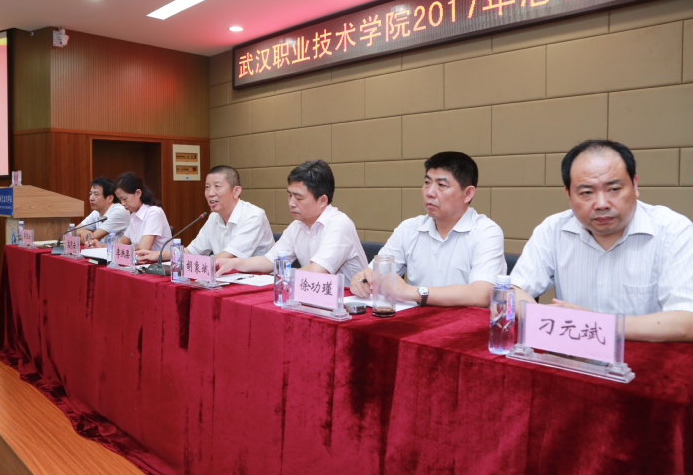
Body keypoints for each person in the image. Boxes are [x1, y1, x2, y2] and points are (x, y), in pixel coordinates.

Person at [511, 140, 693, 342]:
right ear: (569, 195)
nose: (602, 204)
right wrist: (545, 316)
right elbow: (511, 292)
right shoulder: (553, 229)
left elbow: (687, 322)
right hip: (573, 354)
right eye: (586, 193)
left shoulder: (674, 231)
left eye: (614, 189)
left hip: (645, 357)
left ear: (635, 185)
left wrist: (594, 323)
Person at [349, 151, 506, 308]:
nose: (430, 192)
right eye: (427, 182)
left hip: (465, 322)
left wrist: (413, 292)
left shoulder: (487, 232)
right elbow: (374, 274)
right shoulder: (408, 229)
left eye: (441, 185)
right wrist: (362, 280)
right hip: (416, 321)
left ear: (468, 194)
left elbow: (482, 294)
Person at [215, 159, 367, 279]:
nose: (291, 203)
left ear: (322, 200)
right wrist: (232, 263)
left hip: (349, 304)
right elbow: (269, 261)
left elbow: (317, 271)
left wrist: (283, 277)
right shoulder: (297, 226)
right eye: (289, 195)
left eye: (298, 198)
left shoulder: (339, 224)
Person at [135, 165, 274, 263]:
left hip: (258, 284)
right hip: (225, 278)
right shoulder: (214, 217)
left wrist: (193, 263)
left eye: (217, 186)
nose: (210, 193)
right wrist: (157, 255)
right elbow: (192, 251)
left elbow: (228, 257)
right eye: (207, 187)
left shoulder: (253, 216)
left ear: (236, 191)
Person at [92, 172, 172, 252]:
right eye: (120, 200)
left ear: (138, 193)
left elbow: (143, 248)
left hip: (159, 260)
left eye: (124, 199)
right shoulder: (134, 214)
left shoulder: (154, 212)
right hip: (140, 259)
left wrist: (123, 250)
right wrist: (101, 246)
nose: (122, 203)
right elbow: (123, 241)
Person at [75, 177, 130, 246]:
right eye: (90, 194)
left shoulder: (119, 211)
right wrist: (83, 232)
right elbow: (70, 233)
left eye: (96, 194)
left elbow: (92, 239)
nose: (91, 198)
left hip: (118, 252)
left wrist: (78, 237)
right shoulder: (96, 212)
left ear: (110, 198)